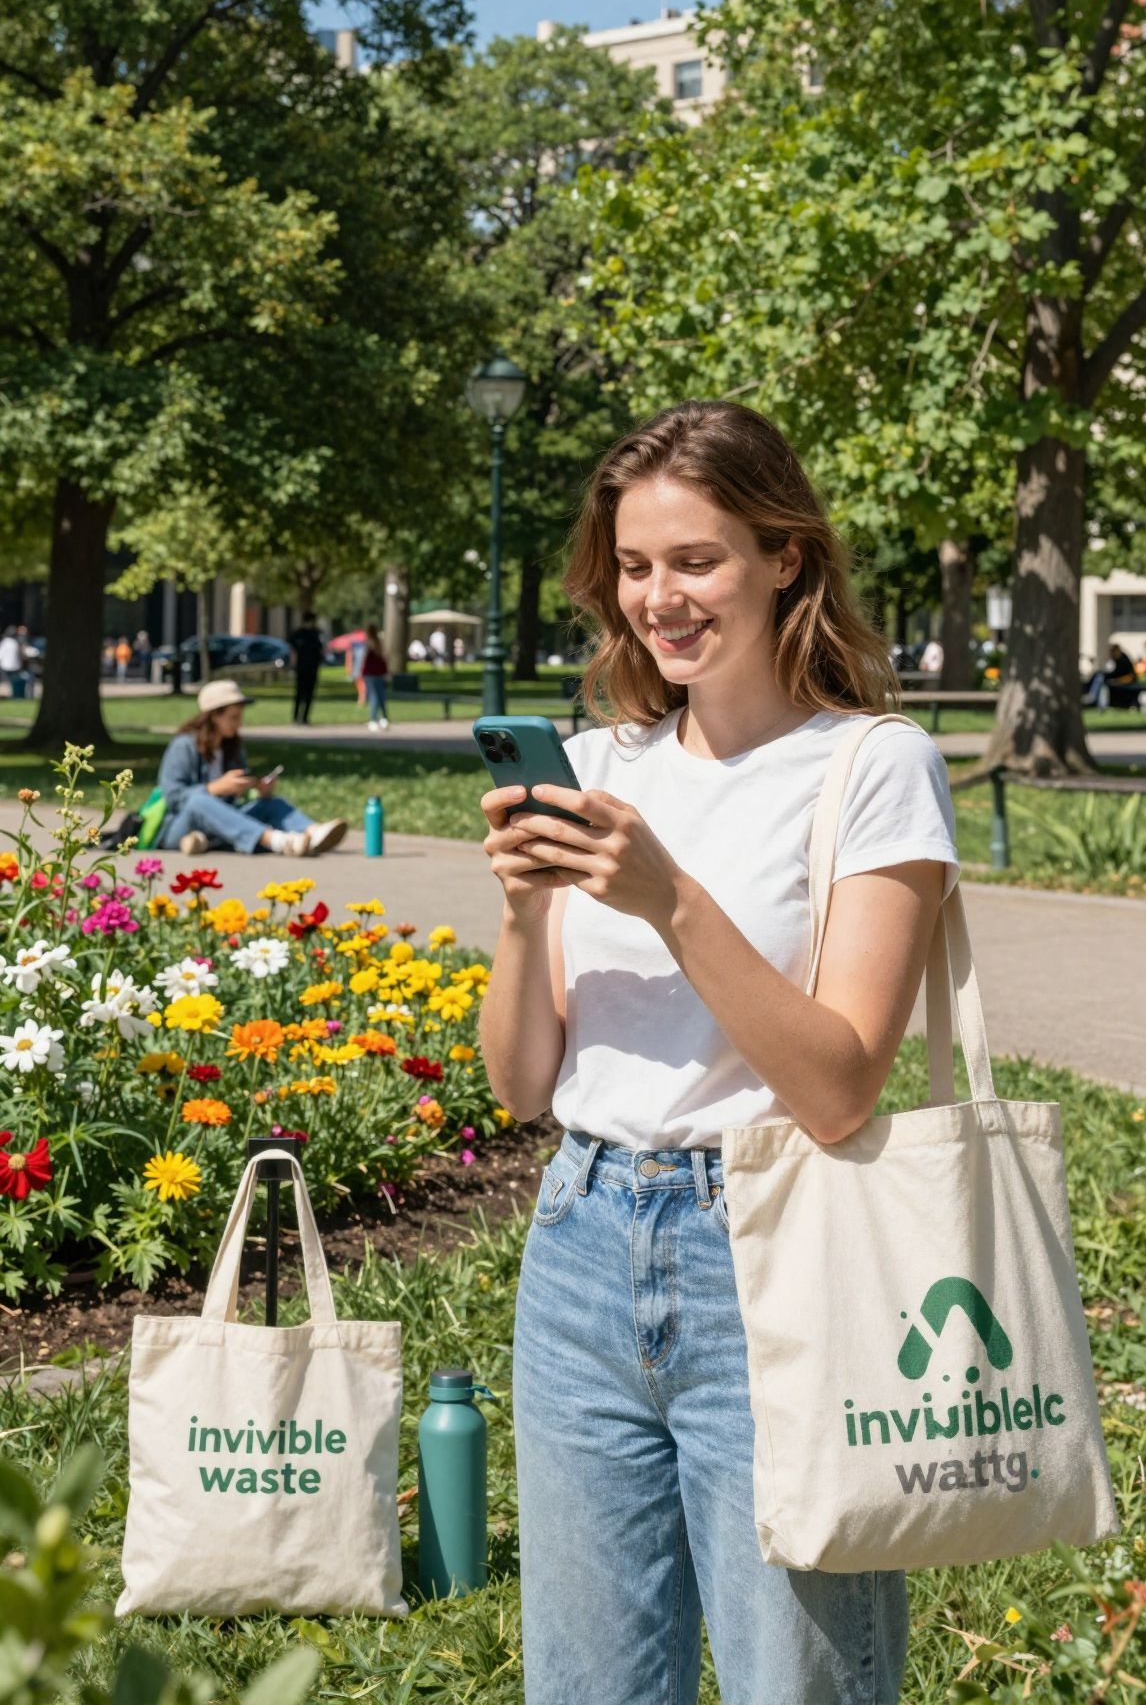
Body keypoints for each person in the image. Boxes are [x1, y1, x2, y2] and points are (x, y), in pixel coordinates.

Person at [478, 401, 957, 1705]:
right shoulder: (597, 763)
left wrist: (669, 899)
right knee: (586, 1687)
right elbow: (522, 1085)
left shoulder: (872, 767)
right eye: (635, 567)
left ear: (784, 556)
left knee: (793, 1681)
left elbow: (841, 1081)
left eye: (696, 560)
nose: (659, 599)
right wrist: (528, 908)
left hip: (773, 1253)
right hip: (579, 1246)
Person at [156, 679, 348, 857]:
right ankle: (278, 841)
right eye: (233, 717)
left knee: (272, 803)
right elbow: (173, 796)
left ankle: (313, 832)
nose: (239, 723)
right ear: (214, 716)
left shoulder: (231, 747)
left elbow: (236, 797)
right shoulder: (184, 745)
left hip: (224, 821)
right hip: (180, 826)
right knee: (199, 801)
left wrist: (258, 788)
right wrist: (215, 788)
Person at [289, 611, 325, 725]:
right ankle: (297, 717)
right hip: (304, 668)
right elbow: (294, 651)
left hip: (311, 667)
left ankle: (303, 717)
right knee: (301, 693)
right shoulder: (299, 634)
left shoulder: (315, 633)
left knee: (307, 693)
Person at [1083, 640, 1140, 708]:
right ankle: (1090, 695)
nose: (1111, 654)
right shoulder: (1115, 660)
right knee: (1098, 675)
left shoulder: (1123, 660)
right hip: (1118, 680)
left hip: (1126, 681)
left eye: (1112, 652)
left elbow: (1130, 676)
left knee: (1100, 678)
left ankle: (1093, 698)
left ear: (1117, 651)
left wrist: (1117, 680)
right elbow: (1112, 672)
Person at [361, 623, 390, 730]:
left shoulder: (369, 644)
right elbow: (384, 659)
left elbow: (366, 660)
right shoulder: (379, 644)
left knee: (375, 697)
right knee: (381, 697)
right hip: (378, 673)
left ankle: (374, 719)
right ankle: (384, 718)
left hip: (370, 674)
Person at [0, 626, 24, 699]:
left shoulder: (5, 642)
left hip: (5, 666)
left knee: (6, 682)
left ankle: (8, 696)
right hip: (15, 666)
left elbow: (1, 654)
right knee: (14, 682)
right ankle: (15, 695)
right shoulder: (15, 642)